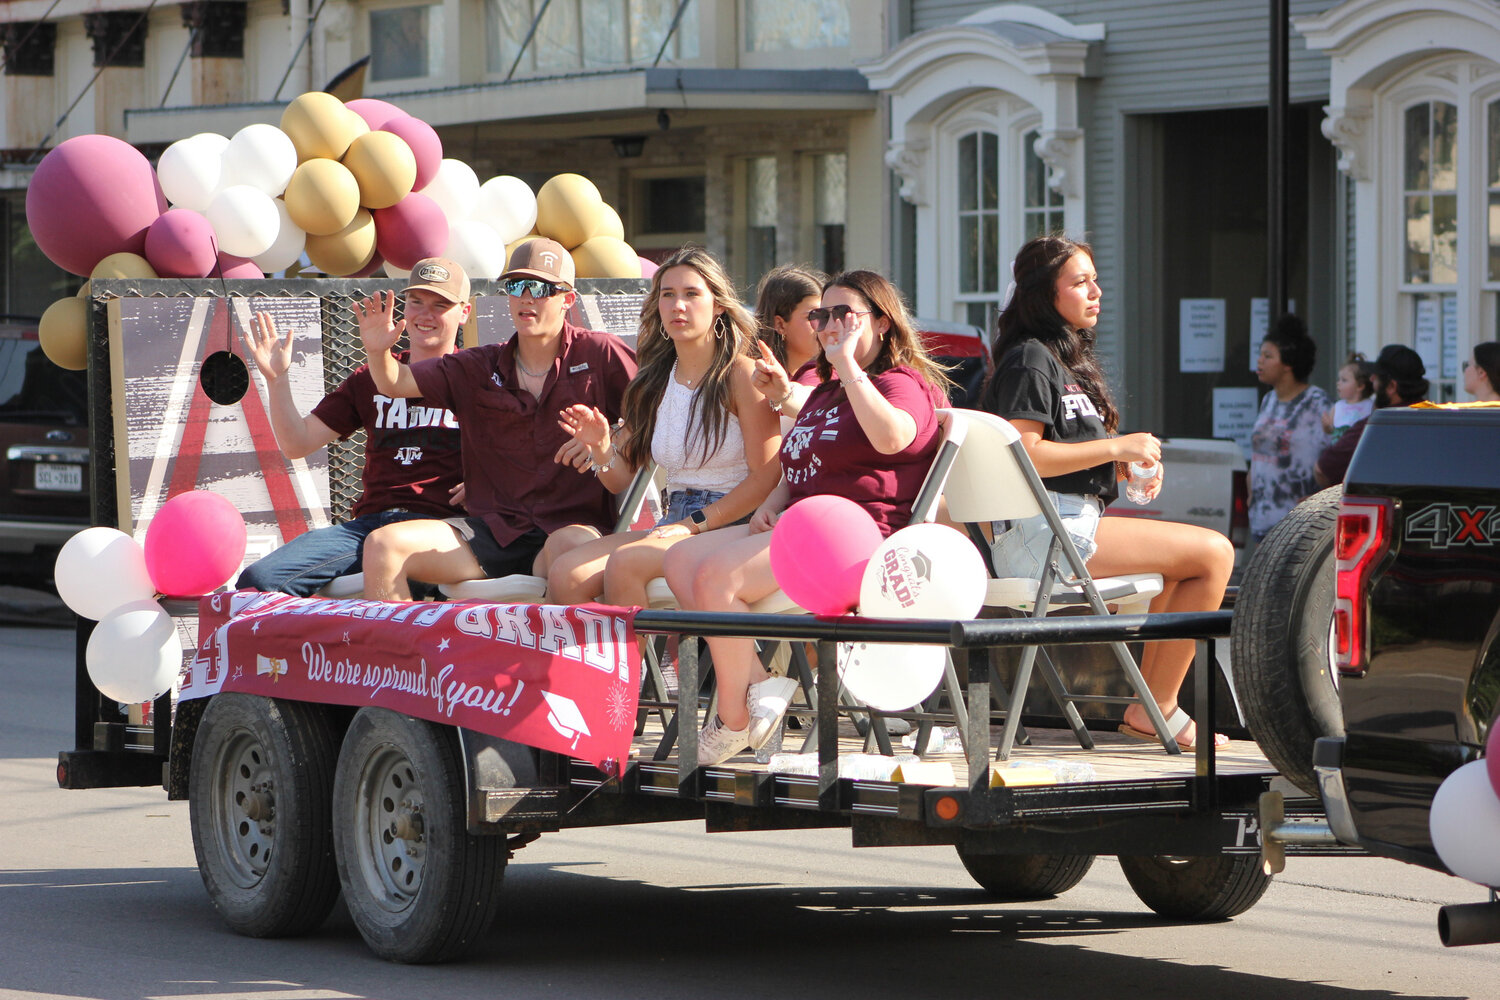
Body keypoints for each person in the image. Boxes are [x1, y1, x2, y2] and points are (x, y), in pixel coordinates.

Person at [664, 269, 950, 764]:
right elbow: (797, 462)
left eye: (845, 314)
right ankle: (760, 684)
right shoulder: (823, 391)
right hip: (806, 527)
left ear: (882, 323)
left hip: (861, 539)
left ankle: (733, 717)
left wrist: (847, 367)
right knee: (680, 560)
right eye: (822, 315)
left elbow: (893, 438)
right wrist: (775, 500)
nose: (830, 324)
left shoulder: (900, 382)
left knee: (715, 578)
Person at [977, 234, 1233, 750]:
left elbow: (1068, 458)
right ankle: (1156, 705)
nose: (1096, 292)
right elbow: (1025, 455)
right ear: (1044, 293)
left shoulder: (1062, 361)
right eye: (1080, 282)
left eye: (1096, 280)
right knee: (1214, 552)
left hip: (1064, 522)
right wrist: (1117, 447)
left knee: (1184, 568)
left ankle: (1154, 704)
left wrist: (1124, 468)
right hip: (1041, 533)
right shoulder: (1029, 358)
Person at [357, 240, 637, 600]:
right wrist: (378, 350)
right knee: (383, 546)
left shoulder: (600, 352)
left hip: (569, 528)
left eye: (540, 288)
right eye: (516, 286)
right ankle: (404, 656)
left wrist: (610, 439)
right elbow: (395, 383)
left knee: (570, 555)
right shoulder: (479, 365)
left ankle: (552, 656)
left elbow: (660, 407)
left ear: (567, 298)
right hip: (493, 531)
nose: (526, 298)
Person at [543, 246, 781, 608]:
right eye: (667, 295)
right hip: (674, 521)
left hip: (733, 524)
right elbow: (620, 479)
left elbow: (765, 479)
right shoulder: (653, 380)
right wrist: (602, 448)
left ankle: (627, 667)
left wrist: (694, 524)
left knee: (625, 564)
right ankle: (588, 666)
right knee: (565, 572)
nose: (677, 306)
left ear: (718, 304)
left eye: (691, 294)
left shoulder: (742, 374)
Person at [234, 257, 466, 597]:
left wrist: (487, 480)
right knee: (258, 584)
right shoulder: (367, 378)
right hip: (371, 528)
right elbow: (297, 443)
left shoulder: (478, 376)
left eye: (440, 304)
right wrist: (277, 380)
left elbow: (527, 451)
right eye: (416, 302)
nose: (425, 314)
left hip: (445, 529)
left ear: (464, 312)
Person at [1249, 314, 1329, 544]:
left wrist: (1322, 498)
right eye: (1260, 354)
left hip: (1299, 525)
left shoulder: (1317, 403)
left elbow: (1336, 458)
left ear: (1288, 364)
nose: (1260, 361)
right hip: (1262, 521)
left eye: (1268, 356)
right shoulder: (1268, 400)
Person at [1315, 344, 1428, 488]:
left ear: (1391, 387)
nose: (1372, 379)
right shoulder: (1438, 418)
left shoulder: (1376, 427)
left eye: (1377, 376)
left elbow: (1322, 470)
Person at [749, 264, 825, 419]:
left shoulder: (830, 372)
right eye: (813, 316)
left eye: (824, 316)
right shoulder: (752, 377)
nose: (823, 325)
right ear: (780, 324)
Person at [1322, 352, 1375, 440]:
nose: (1338, 383)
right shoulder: (1337, 407)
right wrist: (1327, 427)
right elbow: (1332, 431)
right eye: (1339, 379)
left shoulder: (1371, 406)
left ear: (1360, 386)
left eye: (1344, 380)